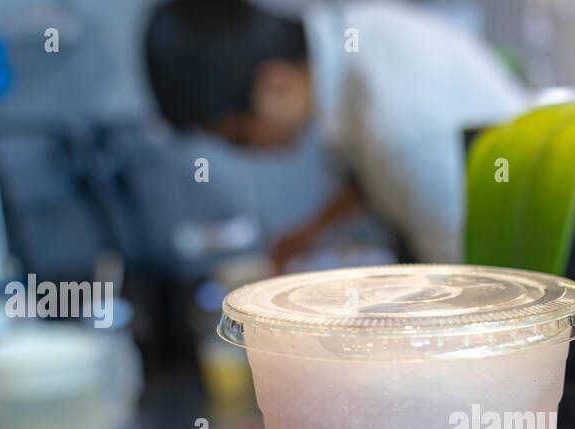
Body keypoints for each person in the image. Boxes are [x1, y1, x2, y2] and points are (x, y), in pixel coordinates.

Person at [144, 0, 526, 265]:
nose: (250, 151)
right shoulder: (353, 36)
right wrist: (312, 232)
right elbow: (373, 177)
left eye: (239, 138)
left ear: (275, 84)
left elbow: (474, 288)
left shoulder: (402, 128)